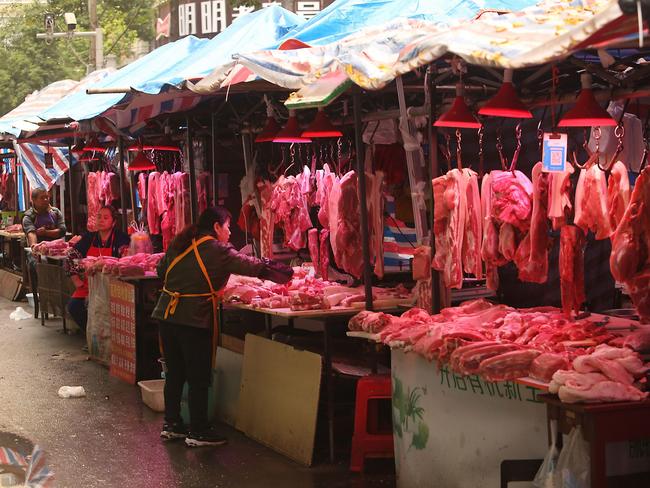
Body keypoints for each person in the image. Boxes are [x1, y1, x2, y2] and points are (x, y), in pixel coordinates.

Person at [152, 206, 293, 448]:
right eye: (227, 227)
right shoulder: (216, 249)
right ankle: (198, 431)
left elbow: (160, 270)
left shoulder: (180, 242)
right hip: (192, 318)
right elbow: (250, 265)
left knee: (175, 373)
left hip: (167, 314)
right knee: (198, 375)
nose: (229, 232)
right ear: (216, 227)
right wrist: (287, 273)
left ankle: (172, 424)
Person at [66, 206, 130, 335]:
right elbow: (71, 255)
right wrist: (75, 279)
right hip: (90, 285)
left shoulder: (121, 238)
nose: (101, 220)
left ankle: (110, 338)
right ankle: (92, 335)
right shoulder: (89, 238)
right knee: (74, 307)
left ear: (114, 222)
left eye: (106, 218)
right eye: (99, 217)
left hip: (113, 285)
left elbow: (126, 259)